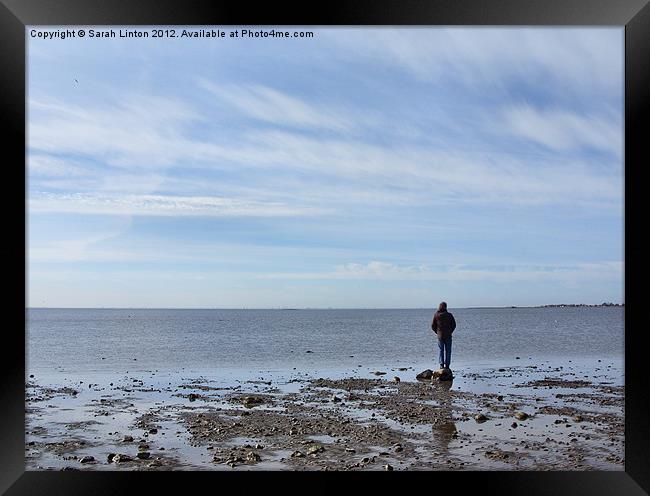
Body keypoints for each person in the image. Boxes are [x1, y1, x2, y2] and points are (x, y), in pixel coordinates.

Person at [431, 301, 456, 370]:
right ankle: (447, 365)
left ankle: (441, 365)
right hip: (448, 335)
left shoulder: (436, 315)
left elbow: (433, 326)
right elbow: (454, 325)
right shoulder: (449, 315)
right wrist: (450, 331)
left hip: (440, 336)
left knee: (441, 350)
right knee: (448, 351)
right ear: (446, 307)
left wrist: (437, 332)